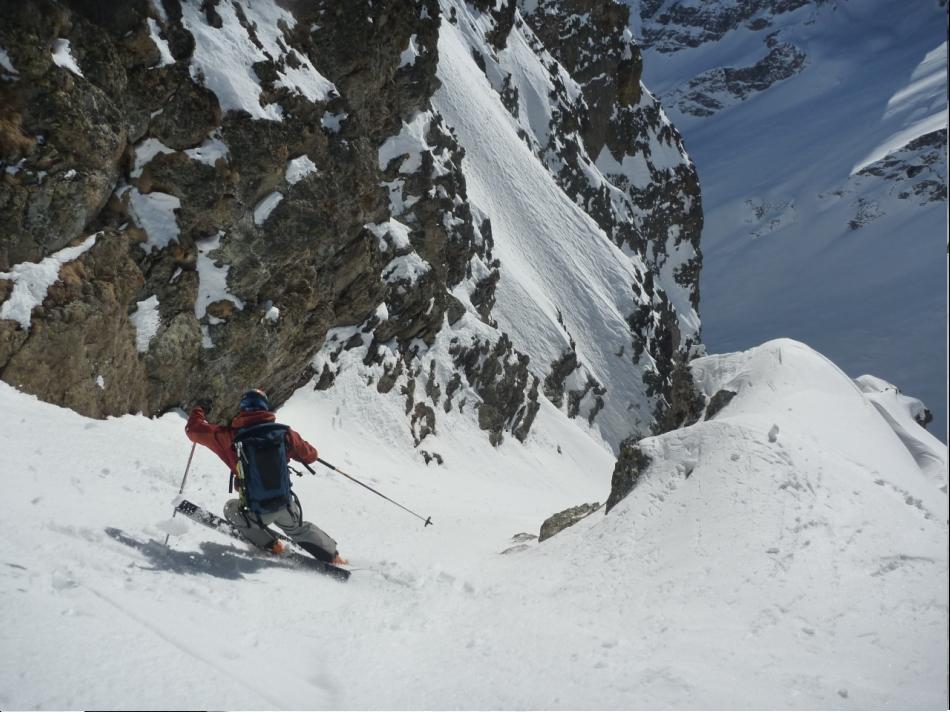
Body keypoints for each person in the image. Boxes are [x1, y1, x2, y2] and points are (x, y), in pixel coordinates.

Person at [184, 388, 346, 565]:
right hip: (285, 504)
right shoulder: (284, 433)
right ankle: (335, 557)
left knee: (231, 509)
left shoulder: (229, 437)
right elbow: (311, 455)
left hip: (257, 509)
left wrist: (200, 410)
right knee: (299, 528)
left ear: (243, 409)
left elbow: (193, 430)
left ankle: (272, 545)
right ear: (265, 408)